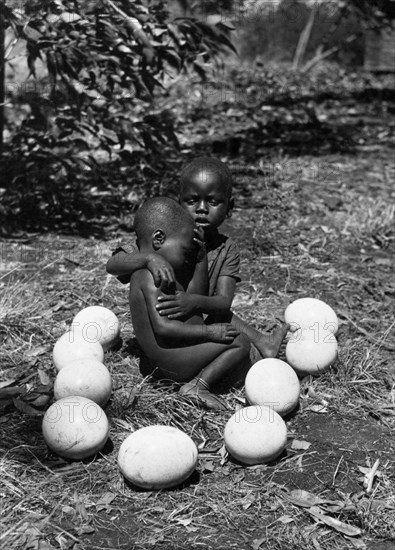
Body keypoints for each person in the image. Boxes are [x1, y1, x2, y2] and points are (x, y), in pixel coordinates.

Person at [106, 157, 288, 362]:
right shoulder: (165, 237)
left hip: (201, 316)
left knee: (222, 318)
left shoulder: (226, 249)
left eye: (212, 201)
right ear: (179, 202)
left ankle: (263, 343)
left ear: (230, 206)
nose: (201, 208)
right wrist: (149, 258)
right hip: (167, 320)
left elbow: (223, 302)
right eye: (192, 201)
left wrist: (193, 302)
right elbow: (113, 264)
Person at [129, 196, 251, 410]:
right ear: (158, 239)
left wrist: (200, 257)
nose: (187, 256)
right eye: (185, 250)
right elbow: (163, 327)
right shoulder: (148, 276)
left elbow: (197, 294)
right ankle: (197, 386)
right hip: (171, 362)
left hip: (171, 357)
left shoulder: (161, 271)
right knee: (239, 340)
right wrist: (209, 333)